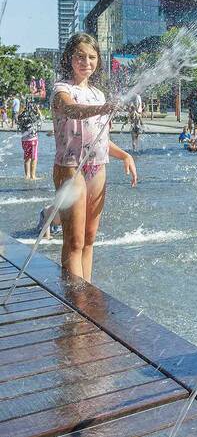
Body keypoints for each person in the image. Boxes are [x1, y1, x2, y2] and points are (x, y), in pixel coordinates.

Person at [52, 33, 137, 282]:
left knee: (89, 238)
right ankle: (74, 300)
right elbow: (70, 110)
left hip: (97, 167)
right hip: (71, 168)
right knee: (74, 239)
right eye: (80, 56)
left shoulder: (99, 94)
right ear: (69, 58)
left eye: (92, 57)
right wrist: (105, 108)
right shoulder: (62, 89)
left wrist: (124, 155)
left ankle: (85, 292)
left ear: (98, 60)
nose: (86, 62)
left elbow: (100, 138)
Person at [17, 101, 43, 180]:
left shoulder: (21, 117)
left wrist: (22, 109)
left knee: (26, 158)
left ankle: (27, 175)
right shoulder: (34, 116)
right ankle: (33, 176)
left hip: (24, 140)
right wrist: (38, 110)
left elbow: (17, 118)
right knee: (34, 158)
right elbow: (42, 118)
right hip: (33, 140)